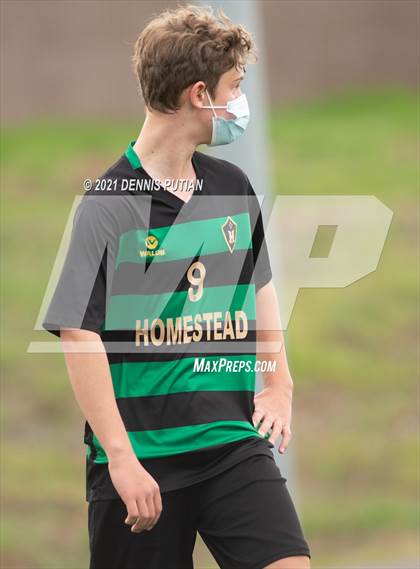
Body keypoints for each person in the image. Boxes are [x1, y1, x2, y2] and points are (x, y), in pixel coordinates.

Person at [42, 4, 311, 568]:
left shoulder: (231, 185)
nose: (240, 101)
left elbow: (259, 287)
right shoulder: (106, 205)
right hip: (141, 464)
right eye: (234, 86)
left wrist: (278, 383)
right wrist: (121, 458)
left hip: (232, 445)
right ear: (199, 94)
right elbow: (78, 335)